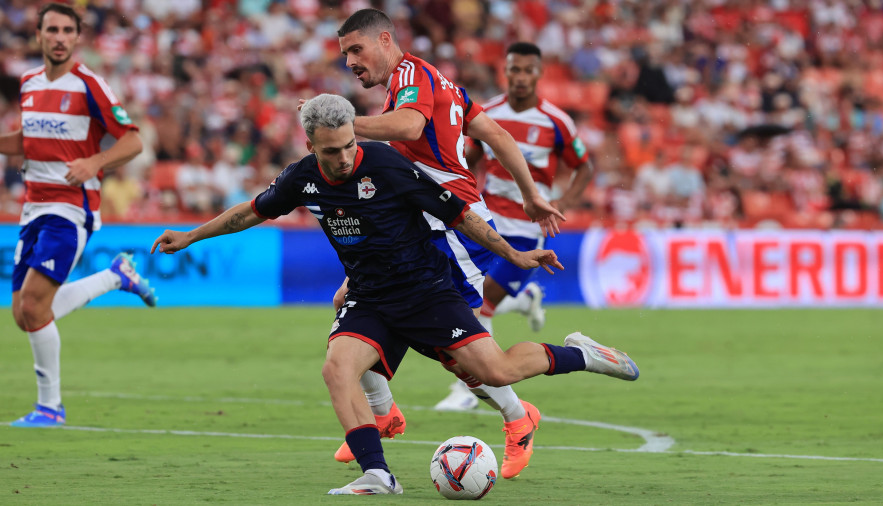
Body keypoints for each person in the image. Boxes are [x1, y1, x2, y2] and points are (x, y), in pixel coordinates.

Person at [151, 94, 639, 495]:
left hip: (427, 292)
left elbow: (460, 216)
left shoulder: (386, 166)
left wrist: (514, 255)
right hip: (371, 296)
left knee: (496, 370)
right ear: (309, 145)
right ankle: (378, 472)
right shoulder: (302, 177)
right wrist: (191, 236)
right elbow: (251, 211)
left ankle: (583, 354)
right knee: (337, 366)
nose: (342, 158)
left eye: (347, 146)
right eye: (330, 152)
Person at [301, 7, 565, 480]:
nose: (350, 63)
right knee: (353, 301)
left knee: (459, 346)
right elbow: (497, 134)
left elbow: (408, 127)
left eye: (355, 50)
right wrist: (531, 195)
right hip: (419, 228)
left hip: (452, 229)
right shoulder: (441, 85)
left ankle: (516, 417)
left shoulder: (411, 77)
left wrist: (337, 126)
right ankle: (383, 413)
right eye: (344, 55)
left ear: (385, 40)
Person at [0, 3, 157, 428]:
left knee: (34, 307)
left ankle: (50, 408)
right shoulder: (29, 82)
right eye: (51, 29)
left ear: (76, 37)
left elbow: (132, 141)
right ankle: (115, 276)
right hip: (33, 208)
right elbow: (28, 138)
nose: (59, 37)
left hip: (71, 210)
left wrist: (95, 162)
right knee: (22, 313)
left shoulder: (91, 84)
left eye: (67, 30)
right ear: (38, 35)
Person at [436, 42, 596, 412]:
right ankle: (525, 301)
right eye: (514, 70)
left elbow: (584, 165)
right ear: (504, 72)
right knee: (470, 297)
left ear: (539, 74)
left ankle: (468, 388)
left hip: (528, 226)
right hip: (486, 221)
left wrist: (563, 204)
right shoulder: (487, 112)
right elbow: (471, 157)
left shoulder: (555, 121)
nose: (520, 77)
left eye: (527, 70)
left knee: (482, 304)